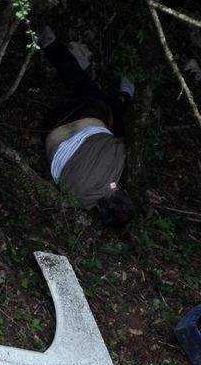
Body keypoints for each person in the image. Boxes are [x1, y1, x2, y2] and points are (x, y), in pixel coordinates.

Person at [39, 27, 135, 226]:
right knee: (106, 108)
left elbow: (118, 140)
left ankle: (124, 96)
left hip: (86, 112)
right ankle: (121, 97)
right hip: (50, 126)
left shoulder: (120, 163)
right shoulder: (81, 201)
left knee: (97, 98)